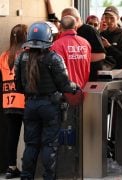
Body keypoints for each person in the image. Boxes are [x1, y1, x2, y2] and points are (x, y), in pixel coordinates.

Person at [15, 21, 79, 180]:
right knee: (49, 145)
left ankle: (26, 177)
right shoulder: (54, 58)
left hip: (30, 105)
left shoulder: (21, 57)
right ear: (49, 37)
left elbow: (19, 86)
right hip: (50, 106)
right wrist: (75, 87)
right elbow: (64, 84)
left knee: (31, 145)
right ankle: (48, 178)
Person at [0, 24, 27, 179]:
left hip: (8, 101)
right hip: (24, 100)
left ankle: (11, 167)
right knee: (29, 136)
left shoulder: (3, 56)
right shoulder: (25, 55)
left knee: (12, 136)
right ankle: (29, 167)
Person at [61, 7, 106, 81]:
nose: (64, 23)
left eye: (67, 20)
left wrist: (78, 59)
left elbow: (101, 55)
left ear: (77, 19)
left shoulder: (90, 31)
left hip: (89, 76)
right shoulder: (65, 32)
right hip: (72, 76)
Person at [51, 15, 92, 89]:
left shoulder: (56, 45)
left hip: (64, 92)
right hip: (83, 90)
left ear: (60, 27)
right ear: (76, 27)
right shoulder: (86, 43)